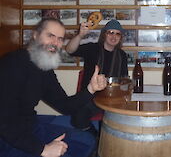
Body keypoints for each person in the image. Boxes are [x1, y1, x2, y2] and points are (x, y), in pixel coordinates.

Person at [0, 17, 107, 157]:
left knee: (86, 140)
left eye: (60, 39)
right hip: (6, 137)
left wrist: (90, 89)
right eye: (50, 36)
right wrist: (42, 149)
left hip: (30, 127)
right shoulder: (11, 64)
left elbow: (65, 105)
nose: (55, 43)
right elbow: (4, 122)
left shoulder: (44, 67)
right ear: (35, 35)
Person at [65, 19, 128, 131]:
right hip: (91, 97)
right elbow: (70, 50)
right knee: (78, 118)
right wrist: (80, 35)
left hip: (111, 98)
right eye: (111, 32)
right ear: (104, 34)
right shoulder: (92, 48)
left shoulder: (122, 55)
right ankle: (96, 138)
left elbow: (124, 79)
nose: (114, 36)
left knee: (120, 120)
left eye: (118, 34)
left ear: (120, 37)